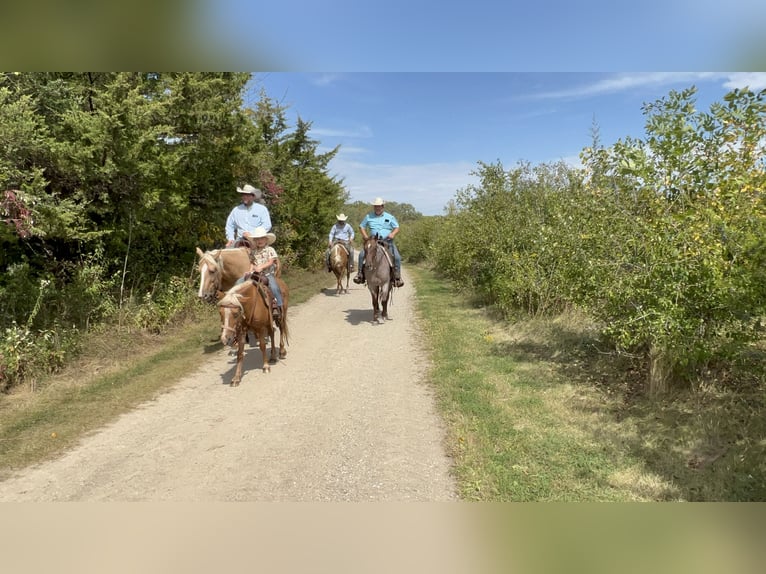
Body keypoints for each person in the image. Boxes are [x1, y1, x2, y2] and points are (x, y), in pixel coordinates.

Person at [353, 197, 404, 287]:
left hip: (387, 241)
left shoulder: (390, 217)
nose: (377, 208)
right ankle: (360, 274)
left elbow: (397, 227)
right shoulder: (368, 216)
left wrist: (392, 234)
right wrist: (365, 236)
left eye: (379, 206)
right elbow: (361, 226)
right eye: (376, 206)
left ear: (382, 206)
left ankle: (397, 277)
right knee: (361, 255)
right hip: (373, 241)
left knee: (397, 257)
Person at [235, 226, 283, 320]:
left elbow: (271, 261)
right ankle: (237, 304)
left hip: (267, 274)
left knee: (274, 287)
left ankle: (278, 305)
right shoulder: (253, 252)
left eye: (261, 238)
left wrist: (261, 267)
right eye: (257, 239)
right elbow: (253, 262)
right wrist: (249, 271)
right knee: (239, 283)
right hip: (255, 274)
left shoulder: (270, 250)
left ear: (266, 239)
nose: (259, 241)